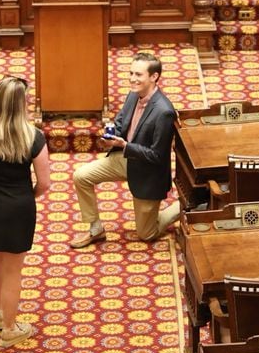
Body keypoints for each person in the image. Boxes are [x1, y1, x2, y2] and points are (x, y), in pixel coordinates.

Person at [0, 76, 51, 347]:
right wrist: (27, 196)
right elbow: (45, 182)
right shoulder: (32, 136)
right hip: (17, 207)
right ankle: (10, 329)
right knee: (14, 269)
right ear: (20, 105)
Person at [70, 52, 180, 248]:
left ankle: (184, 205)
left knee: (146, 234)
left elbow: (157, 156)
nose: (132, 79)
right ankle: (96, 229)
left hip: (147, 171)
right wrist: (110, 138)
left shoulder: (164, 111)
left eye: (138, 75)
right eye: (131, 73)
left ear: (154, 77)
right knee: (81, 176)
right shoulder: (132, 95)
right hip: (124, 158)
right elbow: (121, 123)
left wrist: (125, 146)